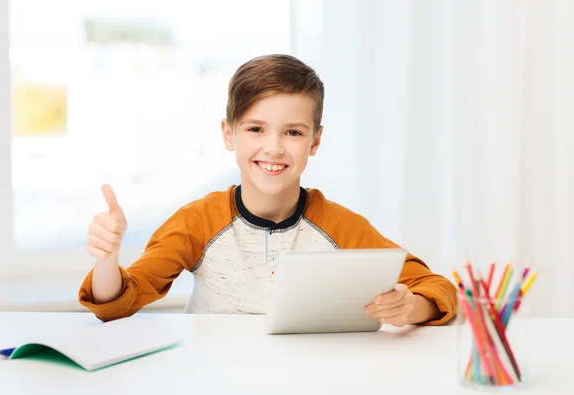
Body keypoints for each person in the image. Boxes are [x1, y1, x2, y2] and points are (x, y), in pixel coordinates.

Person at [79, 54, 457, 327]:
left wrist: (413, 307)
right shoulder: (198, 221)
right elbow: (117, 303)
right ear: (229, 134)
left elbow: (435, 286)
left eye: (293, 132)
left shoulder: (340, 225)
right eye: (256, 129)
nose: (274, 148)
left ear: (315, 141)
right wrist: (107, 258)